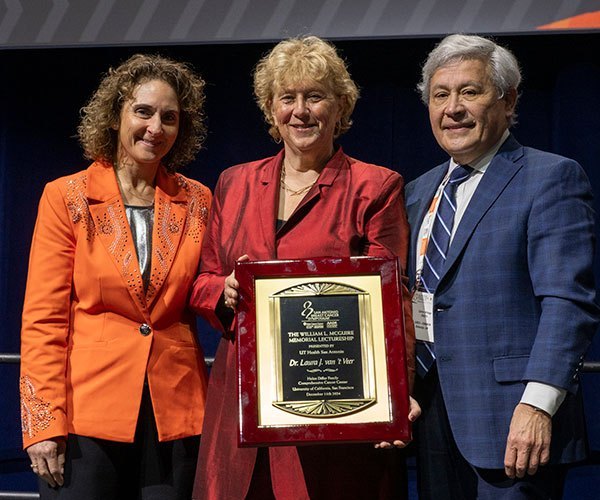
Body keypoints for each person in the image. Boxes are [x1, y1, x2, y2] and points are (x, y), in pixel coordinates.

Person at [189, 35, 419, 500]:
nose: (301, 111)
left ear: (340, 106)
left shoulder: (374, 186)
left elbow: (391, 302)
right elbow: (204, 279)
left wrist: (397, 394)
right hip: (243, 401)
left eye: (315, 96)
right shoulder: (233, 183)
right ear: (270, 108)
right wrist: (224, 290)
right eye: (287, 98)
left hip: (334, 404)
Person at [405, 34, 599, 499]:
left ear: (508, 100)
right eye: (440, 95)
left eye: (469, 92)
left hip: (513, 421)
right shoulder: (415, 192)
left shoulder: (550, 177)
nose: (453, 108)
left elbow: (568, 303)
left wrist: (538, 405)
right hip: (429, 416)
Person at [20, 53, 211, 499]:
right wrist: (43, 425)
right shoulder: (65, 197)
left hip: (176, 412)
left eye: (169, 117)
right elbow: (43, 322)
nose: (155, 127)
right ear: (114, 116)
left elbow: (208, 290)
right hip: (87, 417)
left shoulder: (199, 200)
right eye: (142, 111)